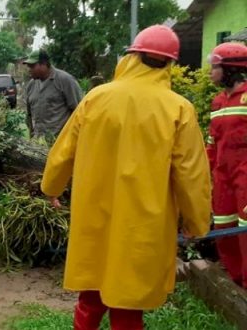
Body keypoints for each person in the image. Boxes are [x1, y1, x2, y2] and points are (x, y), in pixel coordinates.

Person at [40, 25, 212, 329]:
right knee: (129, 301)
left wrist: (51, 187)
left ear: (131, 56)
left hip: (94, 215)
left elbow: (63, 151)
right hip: (143, 223)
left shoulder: (96, 98)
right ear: (170, 64)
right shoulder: (178, 109)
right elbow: (192, 173)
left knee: (90, 293)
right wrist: (196, 221)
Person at [205, 42, 247, 288]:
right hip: (222, 178)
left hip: (245, 177)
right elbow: (213, 144)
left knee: (245, 233)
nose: (210, 72)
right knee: (224, 228)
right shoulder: (218, 101)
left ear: (230, 68)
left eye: (215, 67)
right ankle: (235, 283)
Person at [22, 49, 83, 142]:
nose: (29, 70)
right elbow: (29, 116)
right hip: (38, 143)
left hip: (60, 142)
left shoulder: (65, 80)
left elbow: (79, 111)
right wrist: (31, 137)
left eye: (32, 66)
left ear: (44, 64)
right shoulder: (31, 85)